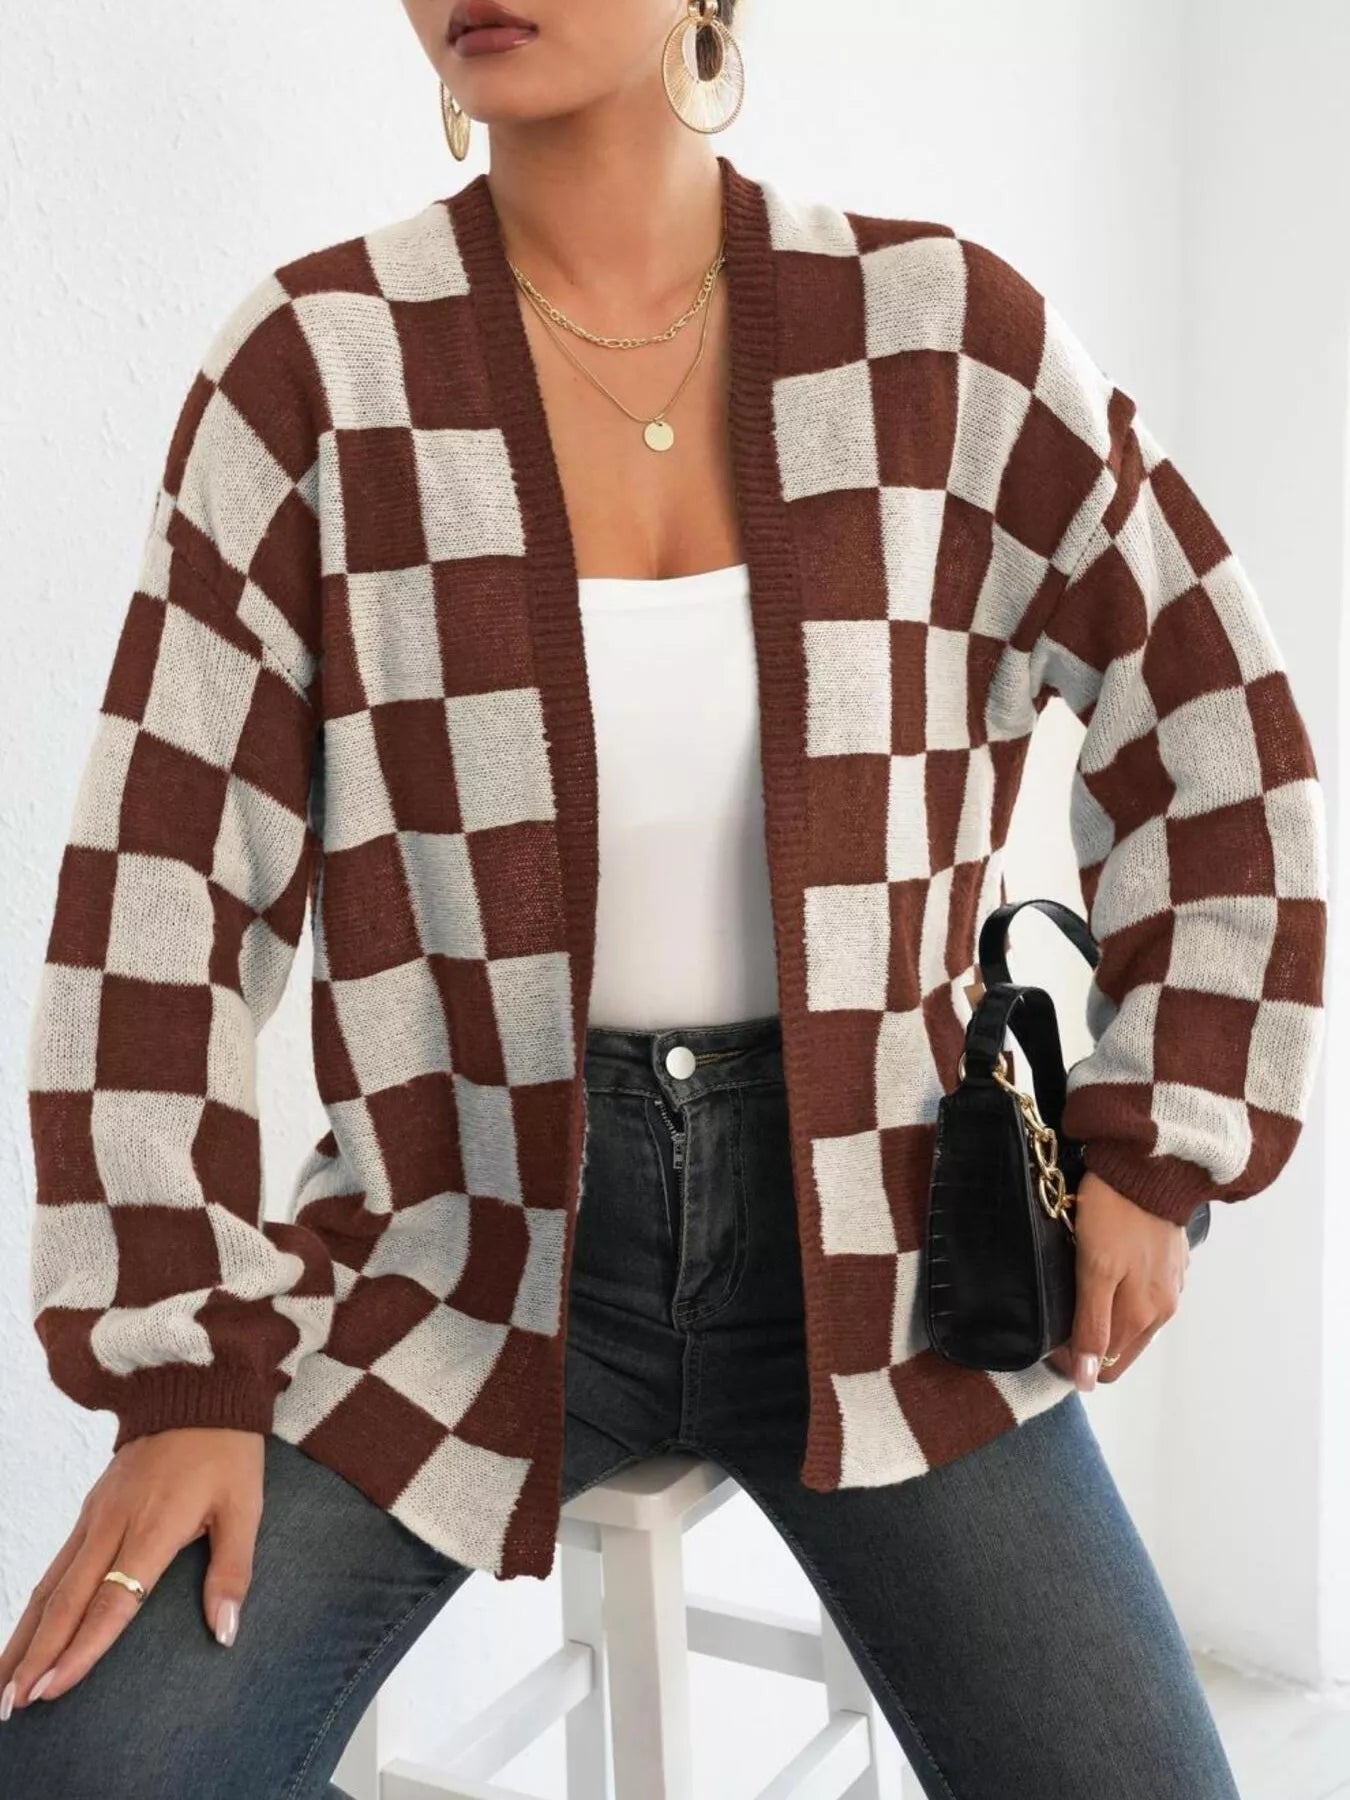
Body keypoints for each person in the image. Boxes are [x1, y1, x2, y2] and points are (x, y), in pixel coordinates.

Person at [0, 1, 1328, 1795]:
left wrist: (1157, 1151)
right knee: (92, 1768)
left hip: (891, 1248)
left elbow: (1220, 740)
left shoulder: (944, 337)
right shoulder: (317, 367)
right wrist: (184, 1376)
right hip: (454, 1245)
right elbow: (156, 884)